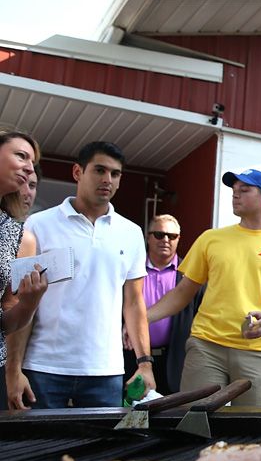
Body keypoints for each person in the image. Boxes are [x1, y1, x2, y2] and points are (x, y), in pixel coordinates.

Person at [6, 141, 154, 409]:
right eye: (99, 170)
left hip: (105, 371)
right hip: (43, 367)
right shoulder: (37, 226)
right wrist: (13, 370)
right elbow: (20, 300)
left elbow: (134, 303)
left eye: (115, 173)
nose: (107, 180)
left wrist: (145, 364)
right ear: (77, 172)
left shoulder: (131, 233)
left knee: (101, 451)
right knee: (40, 449)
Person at [147, 169, 261, 405]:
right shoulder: (211, 239)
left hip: (258, 352)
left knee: (251, 430)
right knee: (195, 423)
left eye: (245, 189)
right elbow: (182, 294)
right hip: (206, 347)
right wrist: (140, 319)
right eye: (234, 190)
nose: (236, 195)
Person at [124, 214, 202, 395]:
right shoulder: (131, 270)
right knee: (130, 415)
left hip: (175, 360)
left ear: (178, 239)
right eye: (159, 234)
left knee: (171, 417)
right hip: (132, 356)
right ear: (148, 237)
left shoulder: (191, 275)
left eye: (172, 236)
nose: (165, 240)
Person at [0, 130, 48, 409]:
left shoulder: (20, 237)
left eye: (32, 161)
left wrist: (29, 303)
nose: (29, 167)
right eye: (21, 155)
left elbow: (6, 319)